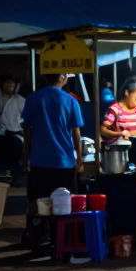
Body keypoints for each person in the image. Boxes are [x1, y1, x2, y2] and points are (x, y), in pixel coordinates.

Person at [20, 72, 83, 207]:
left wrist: (26, 158)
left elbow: (27, 131)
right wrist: (79, 159)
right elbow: (76, 132)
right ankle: (60, 228)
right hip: (64, 161)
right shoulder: (71, 101)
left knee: (37, 202)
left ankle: (35, 227)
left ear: (46, 78)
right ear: (63, 78)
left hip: (39, 161)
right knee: (64, 204)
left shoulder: (33, 99)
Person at [0, 73, 25, 172]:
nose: (9, 85)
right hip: (1, 136)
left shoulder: (20, 100)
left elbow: (27, 118)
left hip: (16, 136)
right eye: (7, 83)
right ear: (1, 84)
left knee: (14, 165)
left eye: (12, 83)